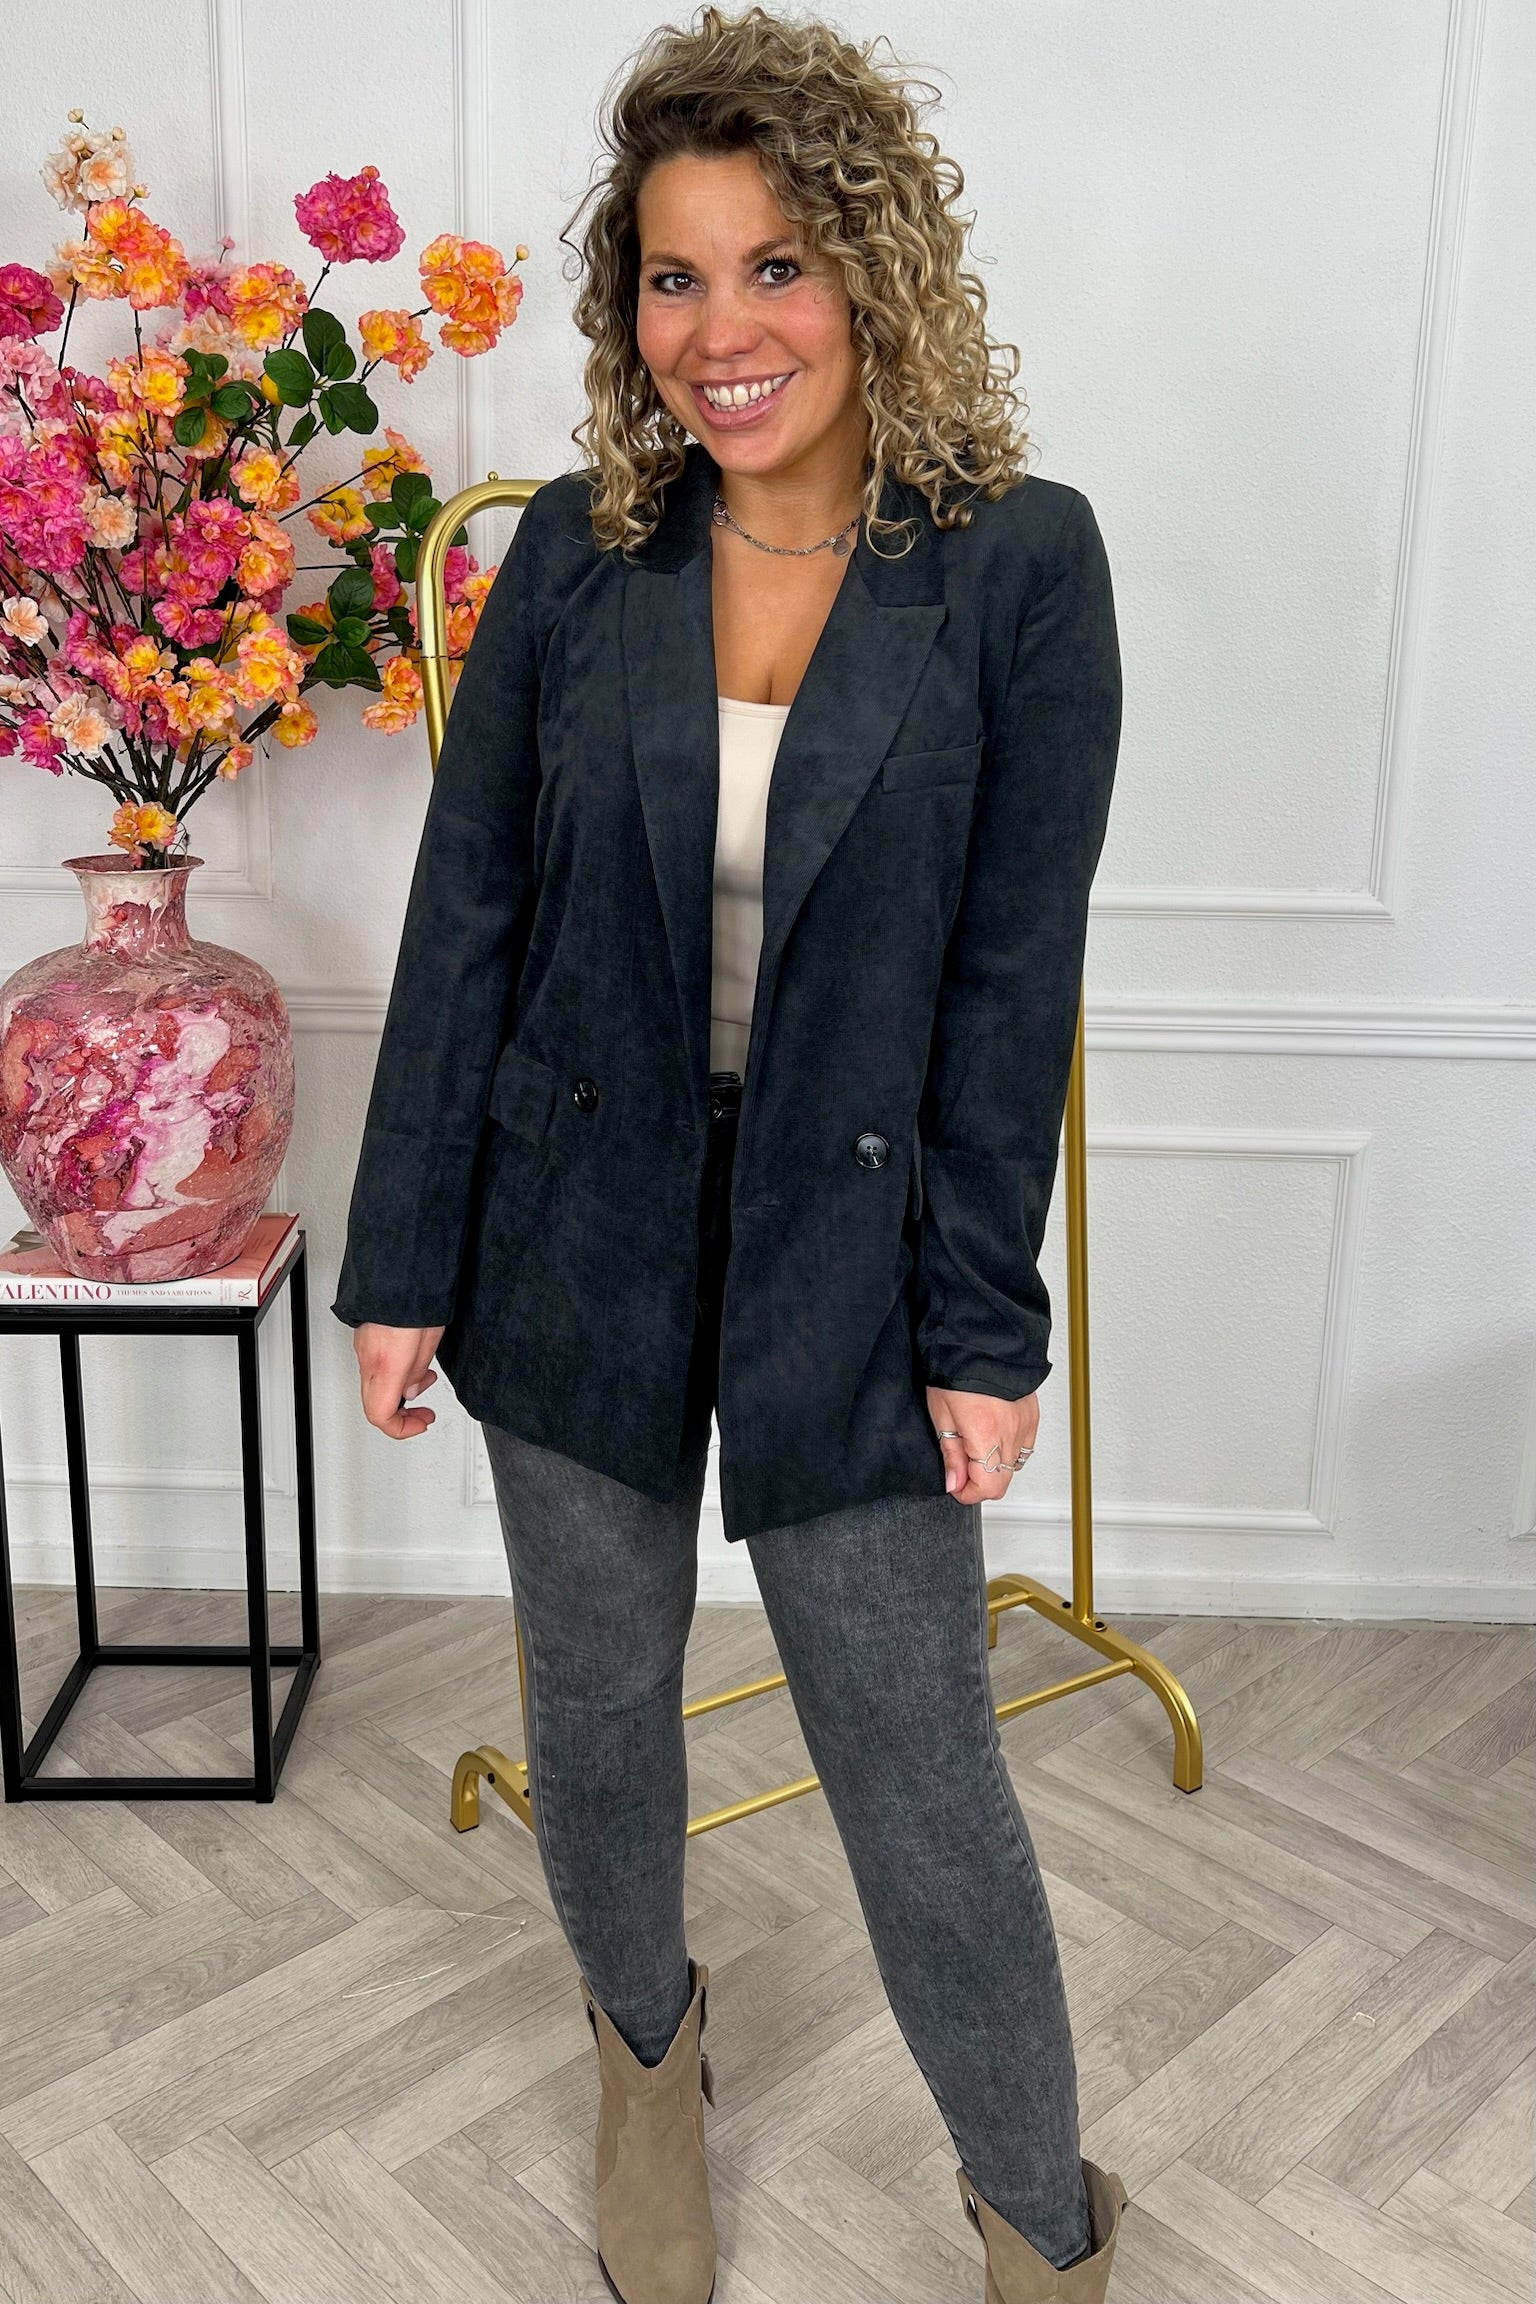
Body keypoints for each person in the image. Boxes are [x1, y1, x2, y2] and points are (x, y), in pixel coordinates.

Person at [333, 8, 1129, 2299]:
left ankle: (1037, 2223)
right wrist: (406, 1258)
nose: (722, 330)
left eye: (774, 265)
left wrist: (983, 1326)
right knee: (595, 1711)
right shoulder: (581, 561)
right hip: (570, 1211)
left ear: (871, 271)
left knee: (915, 1759)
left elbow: (1012, 985)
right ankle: (645, 2066)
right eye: (673, 279)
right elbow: (468, 911)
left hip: (850, 1243)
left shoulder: (1019, 566)